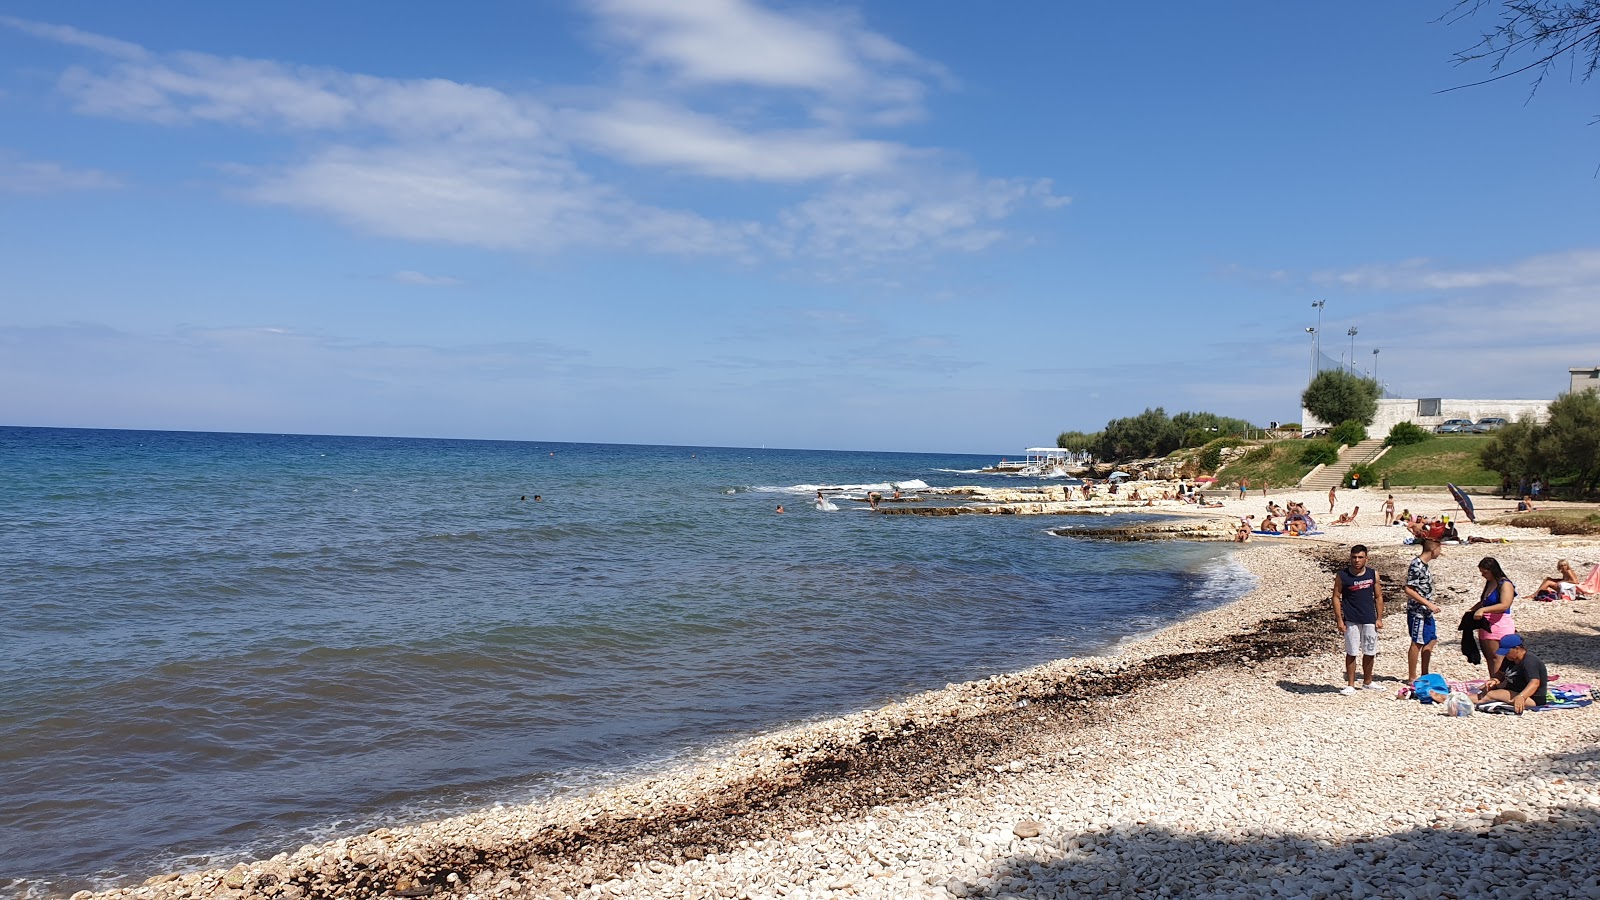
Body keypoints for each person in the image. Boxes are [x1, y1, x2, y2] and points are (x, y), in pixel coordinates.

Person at [1332, 545, 1384, 695]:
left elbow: (1379, 597)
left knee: (1370, 651)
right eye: (1354, 557)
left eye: (1360, 557)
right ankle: (1351, 684)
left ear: (1366, 558)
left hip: (1369, 618)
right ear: (1350, 558)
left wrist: (1379, 618)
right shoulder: (1342, 575)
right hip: (1351, 619)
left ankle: (1368, 681)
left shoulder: (1373, 574)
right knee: (1352, 652)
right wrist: (1339, 620)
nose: (1357, 560)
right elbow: (1336, 597)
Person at [1474, 635, 1550, 713]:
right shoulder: (1509, 659)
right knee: (1485, 690)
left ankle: (1469, 702)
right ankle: (1464, 699)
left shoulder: (1530, 662)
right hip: (1513, 690)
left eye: (1507, 652)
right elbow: (1501, 675)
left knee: (1491, 694)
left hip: (1532, 699)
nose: (1505, 655)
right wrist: (1495, 681)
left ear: (1517, 649)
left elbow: (1534, 683)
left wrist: (1522, 696)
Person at [1404, 537, 1444, 683]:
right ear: (1434, 550)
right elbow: (1408, 589)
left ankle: (1425, 673)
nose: (1440, 552)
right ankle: (1412, 676)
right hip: (1417, 611)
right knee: (1417, 642)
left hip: (1426, 612)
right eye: (1439, 549)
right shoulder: (1417, 565)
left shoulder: (1425, 565)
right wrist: (1428, 604)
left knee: (1431, 639)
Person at [1473, 556, 1517, 679]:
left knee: (1499, 657)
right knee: (1490, 657)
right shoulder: (1490, 583)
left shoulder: (1505, 584)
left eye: (1485, 572)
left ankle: (1500, 683)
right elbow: (1484, 601)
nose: (1483, 575)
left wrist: (1483, 610)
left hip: (1500, 624)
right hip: (1486, 624)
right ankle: (1493, 680)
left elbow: (1505, 604)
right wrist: (1472, 610)